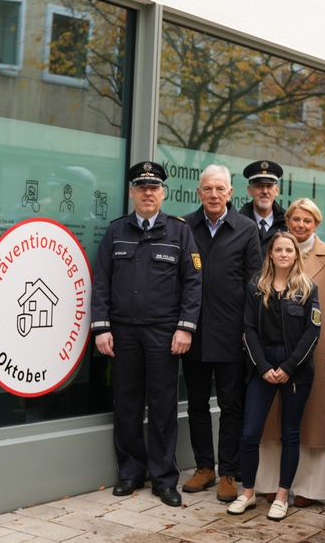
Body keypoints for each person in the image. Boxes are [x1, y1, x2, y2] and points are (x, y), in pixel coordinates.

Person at [91, 161, 202, 508]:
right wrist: (101, 327)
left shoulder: (179, 232)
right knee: (126, 404)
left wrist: (185, 328)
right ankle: (131, 472)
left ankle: (164, 478)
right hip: (122, 333)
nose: (148, 193)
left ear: (163, 193)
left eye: (154, 188)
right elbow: (101, 283)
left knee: (163, 407)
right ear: (132, 192)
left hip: (163, 333)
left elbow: (194, 284)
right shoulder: (116, 231)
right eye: (142, 188)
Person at [225, 231, 321, 523]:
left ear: (295, 255)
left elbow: (312, 332)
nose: (283, 254)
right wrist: (264, 367)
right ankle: (249, 493)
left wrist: (289, 367)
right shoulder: (257, 286)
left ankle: (282, 496)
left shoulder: (308, 288)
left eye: (288, 250)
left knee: (290, 434)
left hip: (296, 370)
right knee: (250, 432)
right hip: (262, 365)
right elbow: (248, 330)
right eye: (278, 249)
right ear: (270, 254)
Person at [254, 197, 325, 508]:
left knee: (311, 421)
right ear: (287, 221)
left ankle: (308, 486)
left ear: (316, 224)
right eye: (296, 220)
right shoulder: (275, 250)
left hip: (313, 351)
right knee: (272, 420)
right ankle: (269, 482)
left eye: (307, 221)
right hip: (274, 349)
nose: (301, 226)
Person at [181, 165, 263, 502]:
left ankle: (228, 471)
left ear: (230, 193)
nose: (214, 195)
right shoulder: (185, 226)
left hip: (232, 335)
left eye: (220, 189)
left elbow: (255, 284)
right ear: (198, 193)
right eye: (207, 189)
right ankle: (204, 467)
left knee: (231, 406)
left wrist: (249, 332)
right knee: (197, 404)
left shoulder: (245, 229)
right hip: (194, 333)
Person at [239, 160, 287, 250]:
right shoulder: (238, 224)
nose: (265, 191)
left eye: (269, 186)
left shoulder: (287, 223)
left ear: (276, 190)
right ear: (249, 190)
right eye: (259, 186)